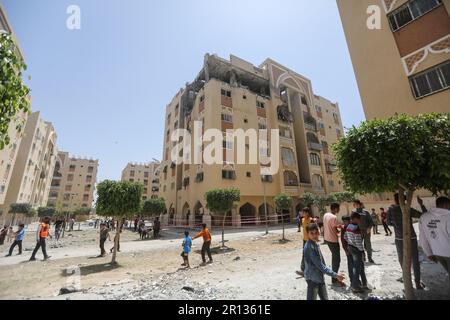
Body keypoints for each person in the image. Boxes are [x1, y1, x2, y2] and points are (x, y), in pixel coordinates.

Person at [387, 194, 427, 290]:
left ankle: (407, 281)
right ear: (405, 200)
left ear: (395, 200)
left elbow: (388, 223)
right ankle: (417, 283)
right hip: (411, 237)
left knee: (402, 260)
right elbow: (423, 215)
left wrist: (396, 225)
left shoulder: (391, 210)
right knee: (415, 260)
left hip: (399, 238)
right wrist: (421, 204)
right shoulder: (408, 208)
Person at [303, 223, 345, 300]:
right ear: (308, 234)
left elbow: (321, 262)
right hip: (313, 279)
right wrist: (336, 275)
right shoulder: (309, 247)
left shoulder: (314, 244)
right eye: (311, 233)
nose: (314, 235)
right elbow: (320, 266)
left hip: (319, 277)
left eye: (316, 233)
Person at [419, 196, 450, 297]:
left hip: (437, 253)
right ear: (446, 205)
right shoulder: (448, 217)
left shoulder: (424, 217)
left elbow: (423, 238)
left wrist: (428, 253)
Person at [345, 212, 369, 293]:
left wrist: (350, 242)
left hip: (350, 247)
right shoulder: (356, 228)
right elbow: (359, 242)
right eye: (358, 219)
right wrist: (362, 252)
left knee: (359, 266)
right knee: (358, 268)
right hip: (356, 250)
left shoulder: (348, 226)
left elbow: (345, 237)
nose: (359, 220)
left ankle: (363, 284)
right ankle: (355, 286)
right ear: (355, 219)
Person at [323, 203, 343, 286]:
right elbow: (335, 229)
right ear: (335, 209)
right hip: (333, 240)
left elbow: (330, 226)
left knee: (334, 258)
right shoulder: (334, 217)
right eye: (338, 208)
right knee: (336, 260)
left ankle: (334, 277)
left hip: (327, 239)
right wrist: (339, 231)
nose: (339, 210)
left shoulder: (326, 214)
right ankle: (334, 278)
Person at [297, 207, 312, 277]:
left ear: (307, 213)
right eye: (302, 212)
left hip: (311, 240)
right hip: (305, 240)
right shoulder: (302, 220)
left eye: (303, 212)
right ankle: (303, 270)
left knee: (312, 255)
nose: (302, 213)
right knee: (304, 254)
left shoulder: (311, 220)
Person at [340, 216, 353, 286]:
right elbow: (342, 240)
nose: (345, 223)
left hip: (354, 249)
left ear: (349, 221)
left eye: (346, 221)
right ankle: (352, 279)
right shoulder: (343, 228)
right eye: (344, 221)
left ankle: (356, 279)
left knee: (356, 265)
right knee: (350, 264)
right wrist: (345, 249)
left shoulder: (352, 227)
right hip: (348, 249)